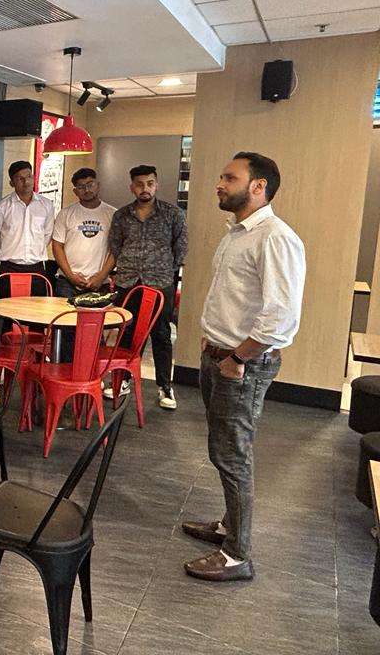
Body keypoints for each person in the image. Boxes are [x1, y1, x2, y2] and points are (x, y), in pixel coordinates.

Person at [182, 152, 304, 582]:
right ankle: (228, 525)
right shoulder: (237, 233)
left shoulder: (275, 238)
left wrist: (237, 358)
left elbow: (280, 317)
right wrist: (213, 340)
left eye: (229, 177)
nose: (219, 183)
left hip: (241, 366)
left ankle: (237, 554)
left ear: (258, 186)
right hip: (220, 357)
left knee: (233, 455)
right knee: (223, 449)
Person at [105, 165, 188, 409]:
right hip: (128, 282)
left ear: (156, 185)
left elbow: (180, 248)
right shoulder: (121, 216)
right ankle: (123, 380)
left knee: (161, 334)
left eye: (150, 183)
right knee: (127, 332)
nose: (145, 188)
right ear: (132, 187)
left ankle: (165, 387)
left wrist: (164, 270)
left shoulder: (172, 214)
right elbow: (115, 246)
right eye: (140, 184)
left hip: (160, 283)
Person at [51, 168, 117, 362]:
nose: (87, 189)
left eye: (90, 184)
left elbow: (116, 250)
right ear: (75, 191)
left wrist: (100, 277)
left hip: (99, 283)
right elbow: (57, 246)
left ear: (98, 185)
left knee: (95, 333)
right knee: (66, 330)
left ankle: (91, 373)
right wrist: (71, 275)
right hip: (67, 282)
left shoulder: (113, 214)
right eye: (81, 187)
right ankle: (65, 370)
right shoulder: (66, 214)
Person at [0, 160, 56, 295]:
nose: (26, 181)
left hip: (37, 268)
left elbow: (47, 234)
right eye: (20, 178)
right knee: (6, 307)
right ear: (12, 183)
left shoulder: (46, 205)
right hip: (9, 267)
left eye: (29, 176)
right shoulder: (2, 206)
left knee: (36, 307)